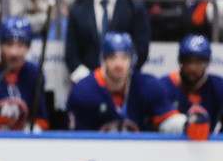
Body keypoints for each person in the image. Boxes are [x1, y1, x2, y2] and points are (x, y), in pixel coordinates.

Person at [66, 31, 207, 139]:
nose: (118, 64)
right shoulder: (84, 90)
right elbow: (76, 137)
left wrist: (187, 123)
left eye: (124, 57)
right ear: (103, 60)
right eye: (113, 57)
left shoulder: (148, 85)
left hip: (141, 158)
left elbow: (168, 120)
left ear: (132, 60)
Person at [65, 0, 151, 84]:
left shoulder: (134, 7)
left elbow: (141, 49)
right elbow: (71, 54)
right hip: (89, 83)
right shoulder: (78, 10)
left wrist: (122, 74)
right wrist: (89, 81)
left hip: (125, 83)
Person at [159, 34, 223, 134]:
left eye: (199, 62)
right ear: (180, 61)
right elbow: (159, 120)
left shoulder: (220, 87)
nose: (192, 68)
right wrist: (187, 124)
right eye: (187, 61)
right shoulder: (164, 86)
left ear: (208, 63)